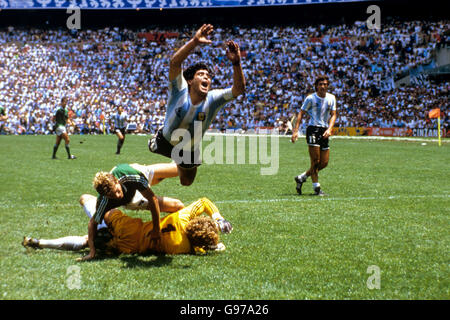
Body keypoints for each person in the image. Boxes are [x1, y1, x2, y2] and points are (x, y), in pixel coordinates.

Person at [148, 24, 246, 186]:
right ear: (190, 81)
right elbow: (174, 63)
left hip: (189, 149)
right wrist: (194, 41)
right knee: (169, 156)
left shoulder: (214, 99)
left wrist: (236, 63)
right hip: (165, 141)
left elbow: (238, 89)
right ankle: (152, 168)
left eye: (208, 76)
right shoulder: (179, 91)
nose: (206, 78)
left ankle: (173, 165)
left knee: (186, 181)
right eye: (201, 74)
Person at [22, 197, 232, 257]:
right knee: (88, 242)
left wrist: (218, 217)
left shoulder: (183, 218)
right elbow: (202, 248)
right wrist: (214, 246)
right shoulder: (185, 248)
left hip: (130, 227)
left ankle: (99, 219)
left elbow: (203, 201)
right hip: (130, 246)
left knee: (87, 199)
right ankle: (42, 243)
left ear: (196, 223)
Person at [79, 163, 180, 261]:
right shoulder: (103, 201)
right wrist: (92, 251)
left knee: (178, 170)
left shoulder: (130, 175)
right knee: (177, 205)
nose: (118, 196)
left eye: (117, 191)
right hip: (132, 199)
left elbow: (153, 199)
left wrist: (156, 228)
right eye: (112, 196)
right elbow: (93, 223)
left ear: (117, 181)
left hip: (138, 174)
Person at [291, 75, 337, 196]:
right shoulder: (310, 98)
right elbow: (301, 113)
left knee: (324, 163)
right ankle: (316, 188)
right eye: (320, 84)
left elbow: (333, 115)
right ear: (316, 86)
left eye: (325, 84)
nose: (323, 86)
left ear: (327, 86)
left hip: (324, 131)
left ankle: (301, 177)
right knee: (315, 161)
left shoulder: (332, 98)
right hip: (313, 130)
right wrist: (296, 131)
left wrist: (330, 128)